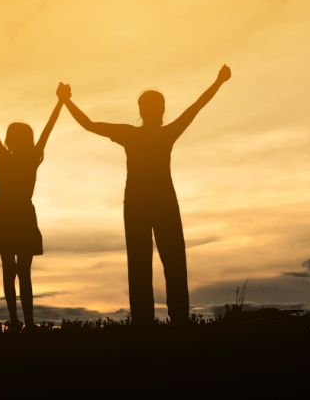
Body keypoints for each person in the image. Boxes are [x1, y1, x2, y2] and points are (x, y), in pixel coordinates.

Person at [60, 65, 231, 326]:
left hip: (145, 204)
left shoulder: (134, 134)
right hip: (154, 203)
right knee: (169, 261)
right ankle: (172, 319)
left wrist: (66, 101)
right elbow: (197, 106)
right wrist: (218, 82)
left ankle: (152, 320)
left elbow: (89, 125)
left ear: (145, 111)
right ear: (157, 111)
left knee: (150, 262)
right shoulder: (159, 133)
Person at [0, 85, 65, 329]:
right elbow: (47, 129)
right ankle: (26, 322)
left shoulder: (7, 157)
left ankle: (17, 320)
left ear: (11, 139)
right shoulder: (30, 157)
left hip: (10, 213)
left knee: (11, 271)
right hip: (19, 213)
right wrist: (60, 102)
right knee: (22, 271)